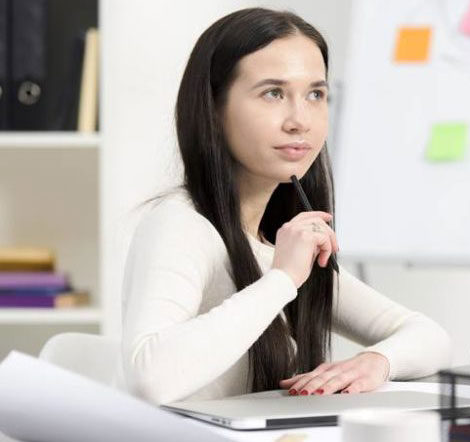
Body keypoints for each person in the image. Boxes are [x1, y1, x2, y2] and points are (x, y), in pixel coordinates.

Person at [121, 7, 452, 405]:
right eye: (273, 93)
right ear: (214, 107)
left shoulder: (281, 242)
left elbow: (429, 336)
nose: (300, 120)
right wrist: (280, 281)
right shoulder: (182, 223)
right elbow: (149, 377)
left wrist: (376, 360)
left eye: (315, 94)